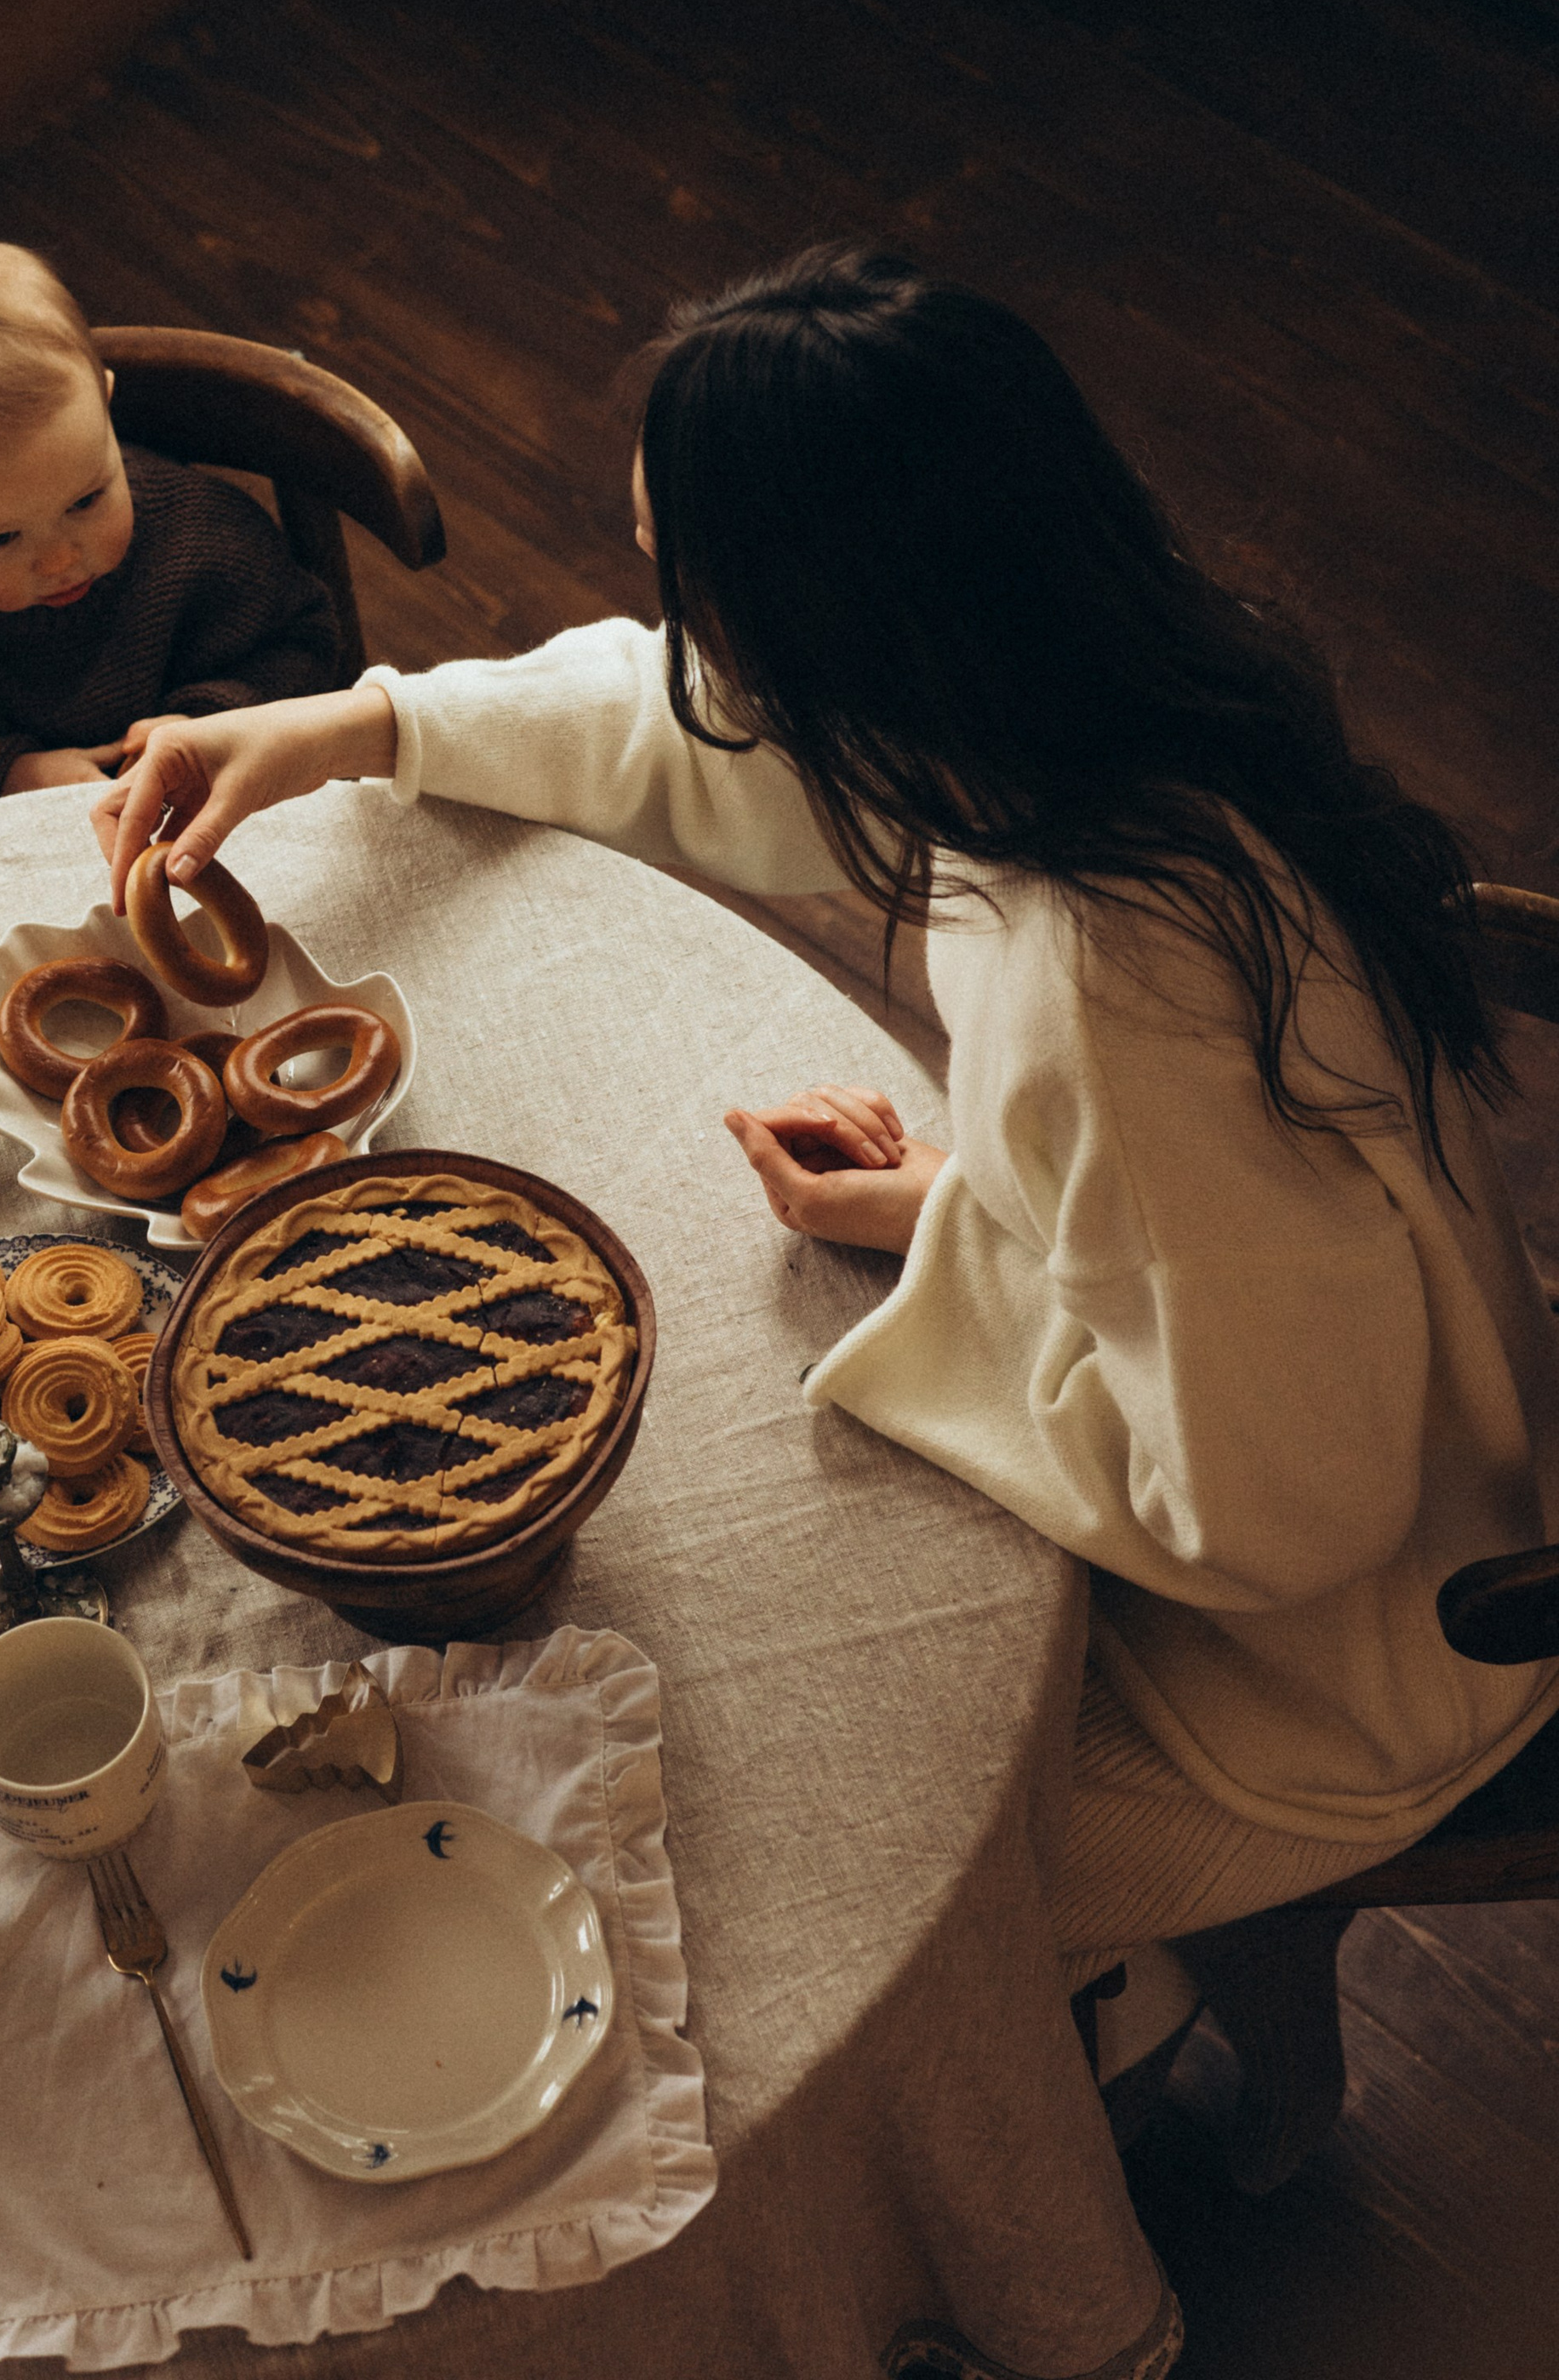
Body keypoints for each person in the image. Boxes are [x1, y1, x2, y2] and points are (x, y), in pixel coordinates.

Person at [92, 239, 1559, 2057]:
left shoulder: (1114, 990)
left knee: (769, 1915)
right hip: (1332, 1405)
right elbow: (681, 720)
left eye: (710, 607)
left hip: (1333, 1677)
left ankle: (1099, 2063)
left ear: (842, 638)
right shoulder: (1089, 704)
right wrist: (365, 723)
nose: (694, 652)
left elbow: (1281, 1502)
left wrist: (970, 1263)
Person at [0, 243, 341, 825]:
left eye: (85, 500)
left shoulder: (201, 533)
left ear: (105, 408)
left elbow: (303, 643)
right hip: (2, 856)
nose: (58, 561)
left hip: (229, 821)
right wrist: (4, 778)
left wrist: (207, 723)